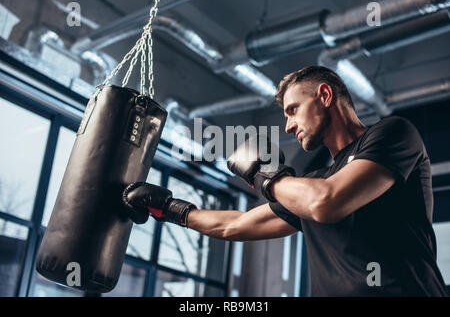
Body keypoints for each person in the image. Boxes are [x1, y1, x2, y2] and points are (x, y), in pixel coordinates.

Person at [122, 66, 447, 296]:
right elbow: (234, 225)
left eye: (293, 110)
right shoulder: (312, 182)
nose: (289, 126)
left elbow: (326, 202)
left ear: (324, 95)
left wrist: (266, 175)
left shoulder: (392, 133)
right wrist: (171, 207)